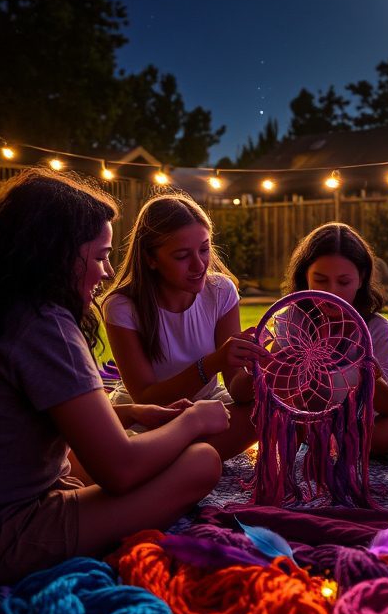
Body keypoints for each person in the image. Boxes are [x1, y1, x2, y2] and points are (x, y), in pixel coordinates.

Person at [0, 168, 227, 586]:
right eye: (99, 257)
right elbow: (119, 469)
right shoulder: (43, 324)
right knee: (201, 462)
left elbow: (19, 421)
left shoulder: (3, 307)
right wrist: (194, 420)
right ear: (56, 255)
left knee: (103, 454)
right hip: (3, 531)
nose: (109, 271)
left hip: (10, 490)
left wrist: (129, 413)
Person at [104, 193, 266, 461]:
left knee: (263, 414)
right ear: (151, 258)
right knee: (128, 451)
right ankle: (188, 458)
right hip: (152, 418)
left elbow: (237, 389)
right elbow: (145, 399)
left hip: (210, 407)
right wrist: (212, 363)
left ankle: (179, 461)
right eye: (182, 256)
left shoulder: (220, 291)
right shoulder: (123, 306)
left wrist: (259, 372)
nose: (199, 265)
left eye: (204, 249)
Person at [282, 222, 388, 455]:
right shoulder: (292, 319)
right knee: (278, 421)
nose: (332, 291)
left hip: (360, 423)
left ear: (361, 278)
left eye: (343, 282)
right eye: (320, 280)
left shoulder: (377, 329)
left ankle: (335, 441)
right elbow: (279, 392)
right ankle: (323, 438)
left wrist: (371, 378)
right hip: (306, 418)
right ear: (305, 276)